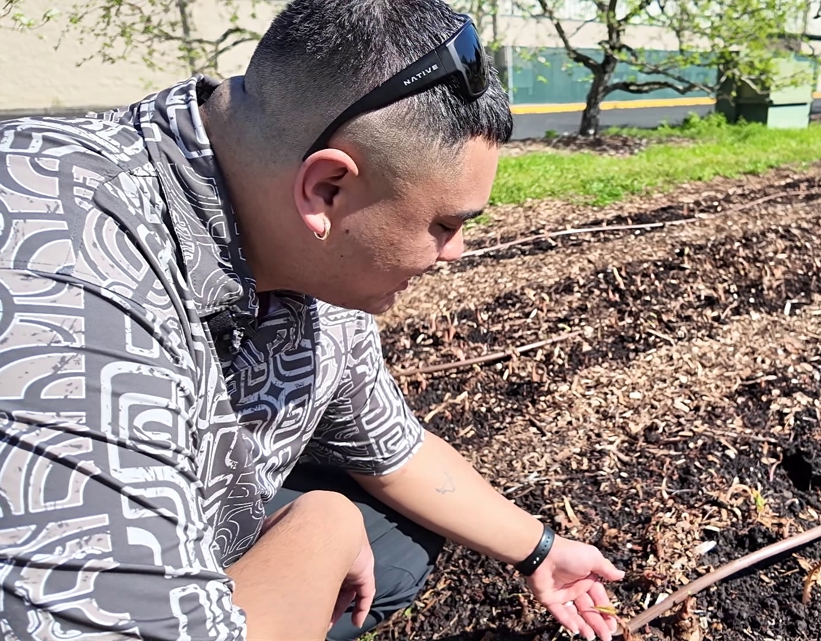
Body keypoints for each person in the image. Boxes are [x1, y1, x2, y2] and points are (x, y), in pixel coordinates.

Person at [0, 1, 625, 640]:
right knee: (341, 520)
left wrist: (543, 552)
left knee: (400, 540)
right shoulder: (56, 244)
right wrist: (322, 526)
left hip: (193, 518)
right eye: (445, 224)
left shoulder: (300, 249)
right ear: (325, 190)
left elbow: (390, 448)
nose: (456, 251)